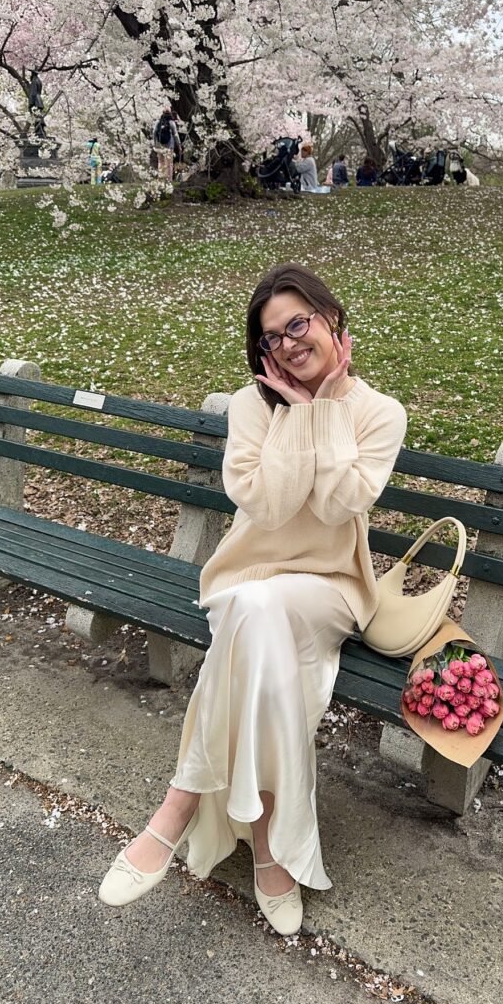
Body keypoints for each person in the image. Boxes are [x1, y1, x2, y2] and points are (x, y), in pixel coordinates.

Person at [98, 262, 408, 935]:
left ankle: (176, 808)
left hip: (329, 588)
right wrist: (295, 415)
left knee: (256, 619)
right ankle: (272, 848)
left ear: (331, 319)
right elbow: (265, 509)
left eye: (298, 323)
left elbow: (338, 505)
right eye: (272, 337)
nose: (289, 343)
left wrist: (318, 412)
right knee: (254, 615)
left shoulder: (381, 413)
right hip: (247, 583)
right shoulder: (249, 405)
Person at [153, 107, 181, 181]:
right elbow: (175, 134)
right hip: (169, 145)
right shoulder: (171, 122)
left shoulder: (158, 122)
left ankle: (161, 178)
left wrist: (155, 143)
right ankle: (169, 179)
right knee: (169, 163)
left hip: (159, 145)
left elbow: (154, 133)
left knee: (161, 162)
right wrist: (179, 145)